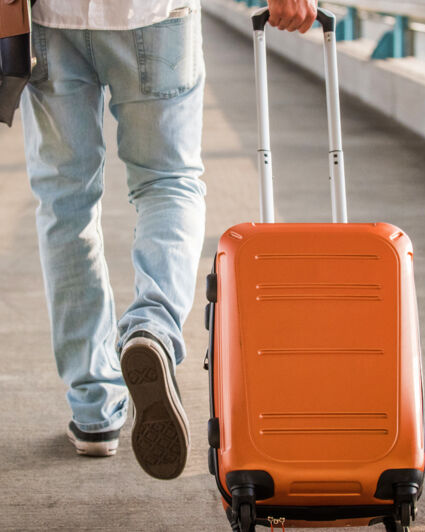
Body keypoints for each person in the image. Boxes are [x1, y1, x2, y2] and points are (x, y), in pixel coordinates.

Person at [20, 0, 319, 480]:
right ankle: (152, 327)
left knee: (65, 202)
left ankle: (94, 410)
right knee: (168, 183)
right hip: (154, 14)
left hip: (50, 18)